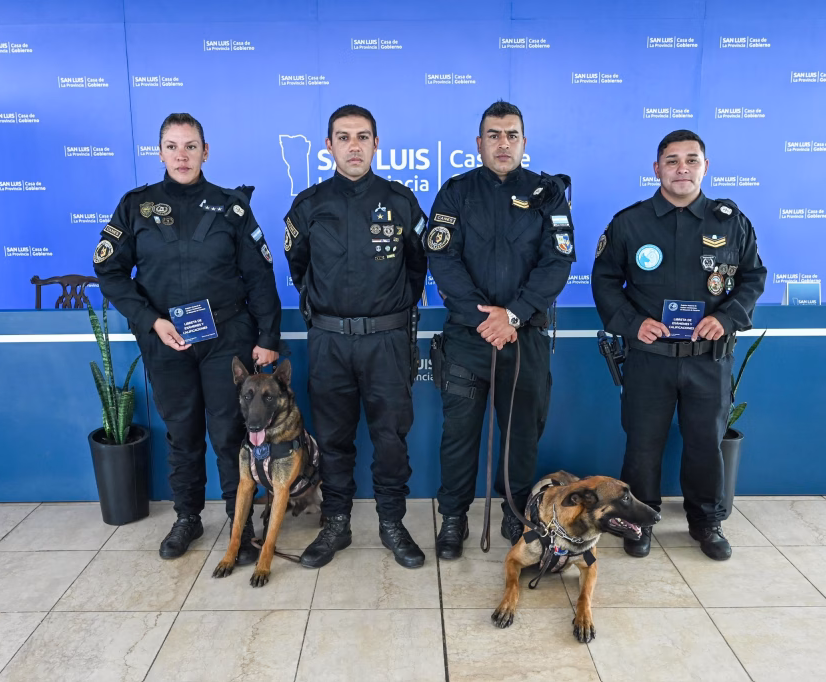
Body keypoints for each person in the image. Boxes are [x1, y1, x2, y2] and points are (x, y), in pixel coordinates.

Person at [94, 113, 281, 562]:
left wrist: (268, 335)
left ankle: (242, 525)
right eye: (173, 146)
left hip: (226, 336)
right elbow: (109, 270)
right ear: (159, 153)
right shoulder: (135, 206)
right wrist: (150, 319)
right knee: (181, 432)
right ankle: (187, 518)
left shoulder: (231, 207)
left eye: (191, 146)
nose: (182, 155)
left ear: (206, 151)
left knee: (228, 433)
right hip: (165, 336)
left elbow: (260, 276)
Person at [591, 129, 766, 561]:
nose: (681, 168)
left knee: (706, 445)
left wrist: (724, 319)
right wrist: (633, 324)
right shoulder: (630, 222)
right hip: (649, 358)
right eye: (671, 160)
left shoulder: (730, 222)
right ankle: (639, 522)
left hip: (708, 360)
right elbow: (605, 281)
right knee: (643, 445)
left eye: (691, 160)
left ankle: (706, 523)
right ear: (657, 169)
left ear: (705, 167)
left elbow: (752, 278)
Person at [425, 100, 575, 560]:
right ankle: (453, 517)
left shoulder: (547, 193)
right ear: (479, 143)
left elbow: (558, 260)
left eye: (511, 135)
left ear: (524, 142)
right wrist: (483, 319)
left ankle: (515, 510)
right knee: (459, 435)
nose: (503, 143)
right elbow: (442, 259)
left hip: (524, 335)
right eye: (493, 135)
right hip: (468, 339)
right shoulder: (455, 192)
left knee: (520, 435)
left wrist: (511, 315)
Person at [284, 104, 428, 569]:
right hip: (329, 342)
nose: (354, 146)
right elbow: (298, 267)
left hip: (387, 340)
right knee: (333, 438)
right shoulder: (308, 206)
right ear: (329, 146)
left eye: (363, 137)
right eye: (343, 137)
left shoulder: (401, 200)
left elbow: (418, 265)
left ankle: (391, 523)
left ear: (376, 144)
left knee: (390, 438)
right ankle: (336, 524)